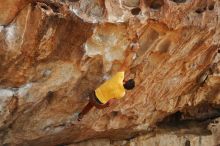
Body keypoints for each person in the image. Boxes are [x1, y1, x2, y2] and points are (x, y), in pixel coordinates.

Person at [78, 42, 138, 121]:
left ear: (126, 80)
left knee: (91, 102)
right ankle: (81, 116)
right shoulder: (122, 94)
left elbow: (125, 65)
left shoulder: (119, 78)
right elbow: (110, 102)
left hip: (93, 95)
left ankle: (81, 114)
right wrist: (105, 105)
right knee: (93, 104)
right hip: (99, 104)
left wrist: (133, 51)